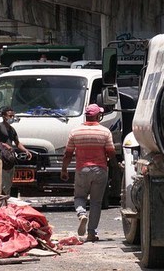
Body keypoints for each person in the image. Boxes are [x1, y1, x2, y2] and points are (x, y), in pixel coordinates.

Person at [60, 104, 115, 242]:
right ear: (97, 116)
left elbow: (68, 153)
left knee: (79, 197)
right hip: (100, 170)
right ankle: (91, 233)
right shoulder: (105, 132)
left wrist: (64, 169)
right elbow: (111, 152)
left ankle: (81, 214)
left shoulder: (75, 132)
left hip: (82, 169)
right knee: (96, 202)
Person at [0, 106, 31, 195]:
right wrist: (3, 145)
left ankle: (6, 200)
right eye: (10, 116)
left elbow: (17, 143)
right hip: (0, 159)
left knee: (9, 182)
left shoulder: (12, 130)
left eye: (13, 116)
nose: (12, 118)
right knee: (1, 182)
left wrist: (26, 151)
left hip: (9, 159)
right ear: (4, 116)